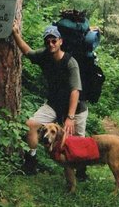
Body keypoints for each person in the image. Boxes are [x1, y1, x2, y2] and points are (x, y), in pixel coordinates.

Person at [12, 21, 88, 177]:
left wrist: (70, 117)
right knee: (31, 124)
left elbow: (75, 90)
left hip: (76, 108)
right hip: (54, 104)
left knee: (78, 141)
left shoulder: (70, 63)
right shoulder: (44, 55)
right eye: (48, 41)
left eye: (54, 40)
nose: (51, 44)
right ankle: (31, 162)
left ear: (60, 41)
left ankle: (80, 171)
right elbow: (27, 52)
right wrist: (15, 34)